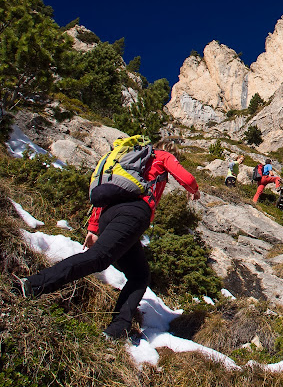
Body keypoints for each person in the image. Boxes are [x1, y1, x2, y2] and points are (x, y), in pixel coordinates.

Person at [12, 138, 201, 341]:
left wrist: (93, 228)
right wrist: (194, 191)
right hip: (134, 213)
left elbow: (110, 192)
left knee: (139, 274)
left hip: (110, 213)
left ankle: (118, 328)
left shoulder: (128, 162)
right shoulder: (161, 155)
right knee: (99, 258)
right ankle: (33, 284)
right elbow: (187, 178)